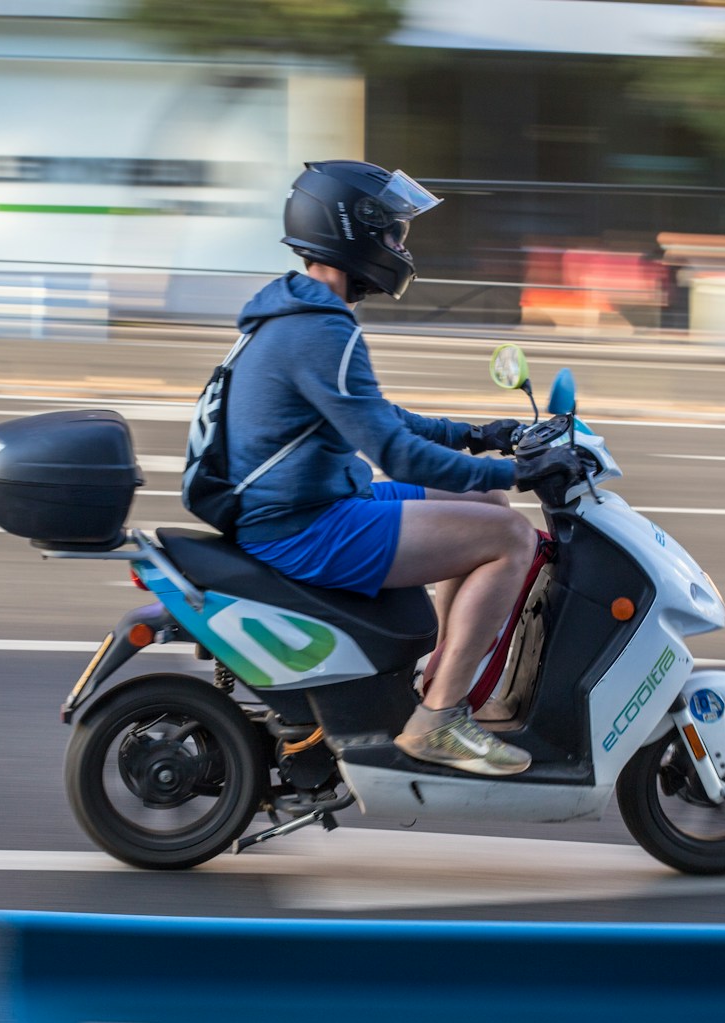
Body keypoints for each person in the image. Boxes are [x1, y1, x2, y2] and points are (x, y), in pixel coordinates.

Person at [215, 160, 580, 777]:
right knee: (511, 536)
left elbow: (379, 416)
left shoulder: (296, 316)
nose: (400, 247)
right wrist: (514, 474)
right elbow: (395, 453)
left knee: (485, 511)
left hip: (308, 504)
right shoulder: (318, 332)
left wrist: (480, 435)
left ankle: (443, 668)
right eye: (392, 232)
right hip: (303, 526)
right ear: (352, 230)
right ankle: (440, 719)